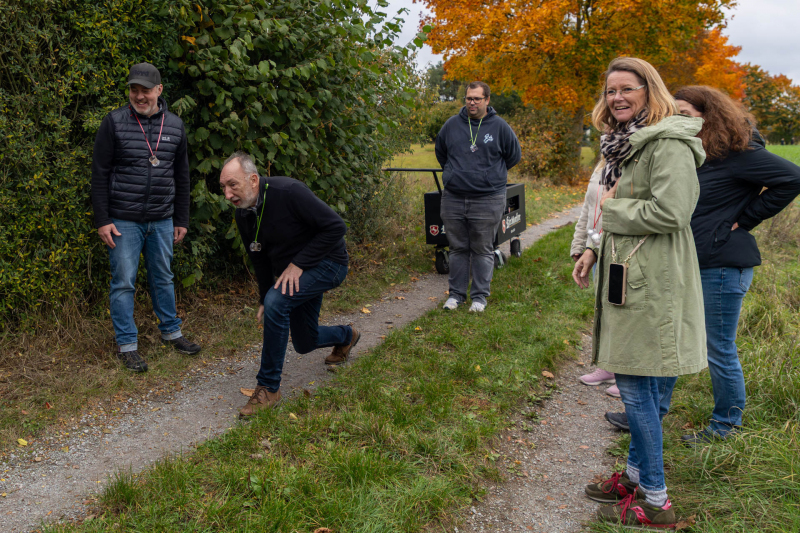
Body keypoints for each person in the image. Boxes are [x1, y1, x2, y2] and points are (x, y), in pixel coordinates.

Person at [573, 57, 707, 529]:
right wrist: (592, 248)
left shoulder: (668, 143)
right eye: (610, 91)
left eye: (627, 88)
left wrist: (612, 215)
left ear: (650, 91)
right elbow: (609, 207)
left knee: (634, 387)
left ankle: (656, 499)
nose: (617, 98)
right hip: (627, 270)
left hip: (654, 280)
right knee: (642, 385)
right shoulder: (625, 144)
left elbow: (673, 211)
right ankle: (633, 476)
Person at [672, 86, 800, 445]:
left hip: (723, 265)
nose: (677, 120)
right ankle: (655, 409)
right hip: (693, 261)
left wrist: (745, 219)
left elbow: (793, 178)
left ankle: (724, 427)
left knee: (719, 347)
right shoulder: (699, 154)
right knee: (675, 337)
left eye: (684, 114)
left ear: (708, 116)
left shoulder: (738, 154)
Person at [219, 152, 358, 418]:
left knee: (277, 301)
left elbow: (335, 227)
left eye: (233, 185)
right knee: (305, 341)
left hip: (330, 263)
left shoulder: (289, 191)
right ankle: (347, 336)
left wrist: (298, 265)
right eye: (224, 187)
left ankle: (269, 388)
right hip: (296, 272)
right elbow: (258, 258)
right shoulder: (244, 213)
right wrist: (263, 296)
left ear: (253, 179)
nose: (228, 194)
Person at [91, 62, 201, 373]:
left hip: (163, 220)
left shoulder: (176, 126)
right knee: (124, 282)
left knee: (163, 278)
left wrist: (182, 219)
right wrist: (102, 219)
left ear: (159, 91)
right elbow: (99, 174)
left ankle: (171, 333)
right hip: (123, 220)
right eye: (134, 90)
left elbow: (182, 177)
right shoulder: (113, 123)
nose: (139, 96)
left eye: (145, 91)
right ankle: (127, 345)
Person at [435, 81, 521, 313]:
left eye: (477, 98)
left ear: (487, 100)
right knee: (457, 248)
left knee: (482, 249)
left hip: (488, 198)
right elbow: (441, 153)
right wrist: (454, 173)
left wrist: (488, 176)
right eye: (468, 98)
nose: (472, 102)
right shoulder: (452, 125)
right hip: (454, 197)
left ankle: (479, 298)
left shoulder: (500, 127)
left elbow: (513, 155)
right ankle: (456, 296)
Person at [571, 163, 621, 399]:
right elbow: (588, 208)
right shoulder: (602, 163)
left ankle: (629, 375)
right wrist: (579, 247)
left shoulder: (635, 159)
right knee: (605, 309)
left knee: (624, 311)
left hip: (621, 249)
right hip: (597, 247)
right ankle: (610, 367)